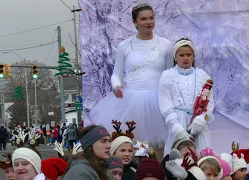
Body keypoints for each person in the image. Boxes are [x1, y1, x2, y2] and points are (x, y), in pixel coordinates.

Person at [88, 2, 173, 147]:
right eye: (143, 19)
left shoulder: (166, 44)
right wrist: (116, 86)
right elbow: (116, 74)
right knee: (131, 143)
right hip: (131, 101)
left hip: (159, 101)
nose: (148, 22)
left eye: (151, 18)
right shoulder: (124, 46)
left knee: (160, 146)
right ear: (134, 22)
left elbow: (170, 74)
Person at [158, 38, 214, 155]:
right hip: (178, 122)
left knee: (201, 157)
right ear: (175, 57)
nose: (185, 58)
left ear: (193, 56)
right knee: (178, 159)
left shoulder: (202, 75)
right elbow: (165, 104)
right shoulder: (167, 76)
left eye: (188, 54)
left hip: (198, 125)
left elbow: (209, 104)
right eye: (181, 55)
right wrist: (177, 128)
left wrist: (200, 121)